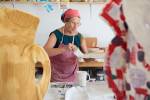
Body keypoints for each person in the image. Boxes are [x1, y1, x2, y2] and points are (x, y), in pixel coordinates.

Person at [44, 9, 88, 82]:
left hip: (73, 76)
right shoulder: (56, 35)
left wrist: (78, 51)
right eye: (73, 23)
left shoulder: (79, 36)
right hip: (56, 76)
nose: (76, 27)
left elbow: (86, 54)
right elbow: (45, 52)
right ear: (65, 22)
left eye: (78, 23)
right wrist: (64, 49)